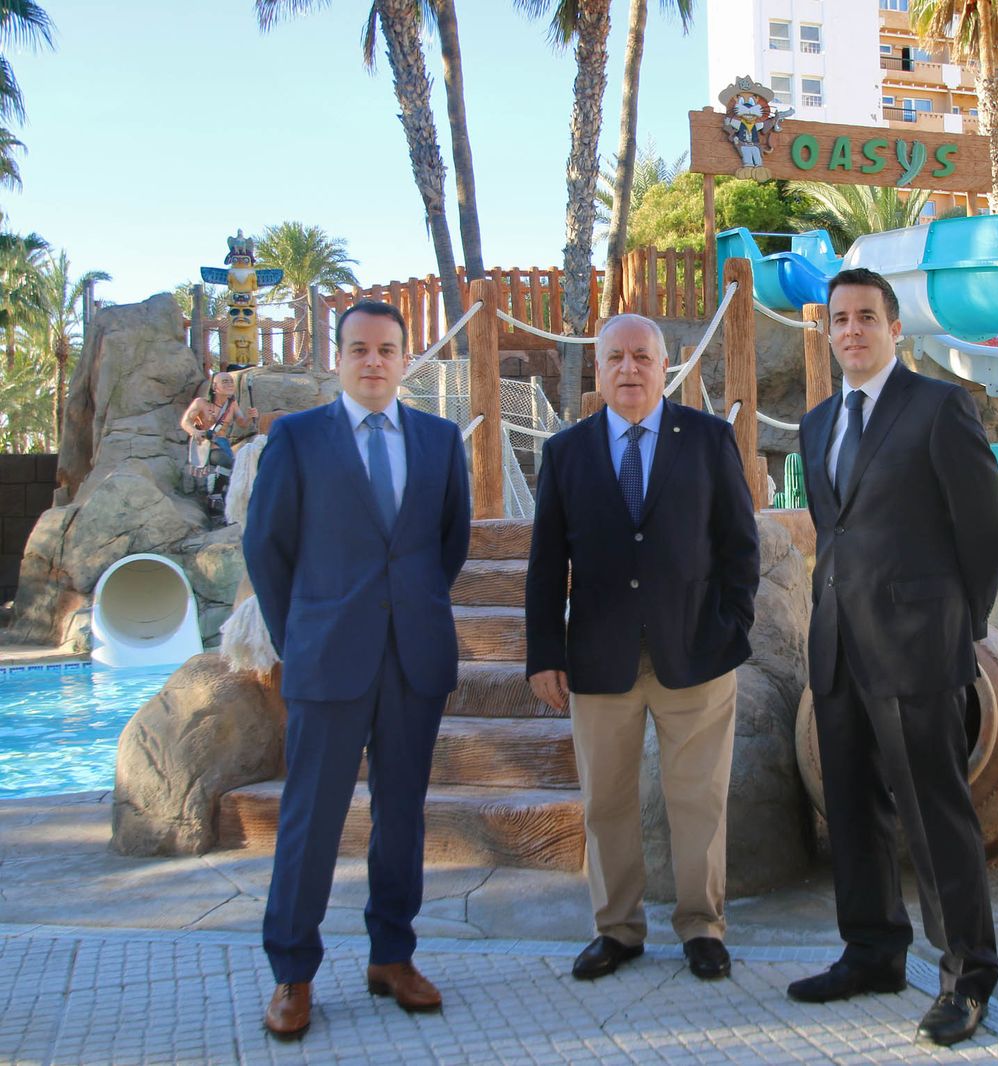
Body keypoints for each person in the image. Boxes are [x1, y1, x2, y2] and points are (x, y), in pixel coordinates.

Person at [788, 268, 998, 1047]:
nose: (852, 330)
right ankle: (873, 951)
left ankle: (967, 977)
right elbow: (835, 535)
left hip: (918, 649)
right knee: (851, 807)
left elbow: (986, 531)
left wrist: (959, 622)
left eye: (866, 317)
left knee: (934, 817)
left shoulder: (939, 407)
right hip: (839, 647)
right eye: (840, 319)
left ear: (894, 329)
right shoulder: (818, 423)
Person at [243, 299, 470, 1040]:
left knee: (401, 815)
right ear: (336, 358)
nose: (373, 360)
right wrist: (299, 634)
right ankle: (293, 973)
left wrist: (410, 610)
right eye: (359, 348)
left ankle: (392, 956)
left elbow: (449, 545)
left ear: (407, 360)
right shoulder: (298, 439)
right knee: (312, 820)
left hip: (413, 659)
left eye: (387, 349)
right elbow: (265, 548)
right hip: (327, 659)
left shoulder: (439, 441)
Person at [525, 313, 760, 984]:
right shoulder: (565, 453)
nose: (629, 368)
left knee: (699, 800)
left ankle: (703, 929)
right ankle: (618, 930)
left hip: (698, 655)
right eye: (616, 358)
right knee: (605, 802)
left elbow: (740, 548)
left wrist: (732, 625)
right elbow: (546, 564)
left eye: (642, 357)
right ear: (598, 370)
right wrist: (545, 651)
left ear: (666, 367)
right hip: (599, 658)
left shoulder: (710, 440)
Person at [181, 370, 258, 470]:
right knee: (228, 464)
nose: (230, 384)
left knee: (233, 468)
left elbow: (242, 423)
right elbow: (185, 422)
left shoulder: (232, 404)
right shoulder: (200, 403)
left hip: (223, 444)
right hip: (206, 445)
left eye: (231, 381)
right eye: (225, 381)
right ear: (214, 386)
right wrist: (196, 432)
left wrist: (250, 417)